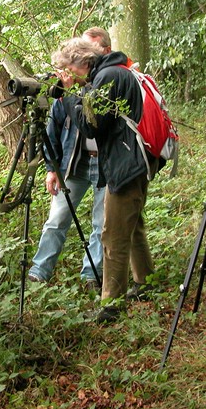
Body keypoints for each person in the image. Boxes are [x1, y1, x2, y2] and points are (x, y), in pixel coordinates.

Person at [56, 37, 158, 323]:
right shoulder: (114, 71)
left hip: (127, 163)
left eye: (69, 69)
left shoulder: (108, 76)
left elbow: (91, 125)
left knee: (112, 233)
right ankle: (145, 280)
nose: (69, 76)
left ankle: (111, 304)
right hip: (135, 159)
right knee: (133, 223)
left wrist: (67, 96)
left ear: (82, 62)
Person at [27, 30, 111, 290]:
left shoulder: (107, 82)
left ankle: (91, 277)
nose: (66, 73)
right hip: (75, 164)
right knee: (57, 219)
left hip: (106, 164)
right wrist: (52, 169)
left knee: (101, 224)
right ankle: (39, 272)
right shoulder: (64, 92)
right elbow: (52, 131)